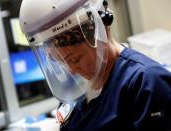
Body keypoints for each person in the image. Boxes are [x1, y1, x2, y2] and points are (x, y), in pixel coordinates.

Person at [19, 0, 171, 130]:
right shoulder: (79, 89)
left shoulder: (146, 83)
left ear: (101, 31)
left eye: (74, 59)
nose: (71, 71)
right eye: (60, 62)